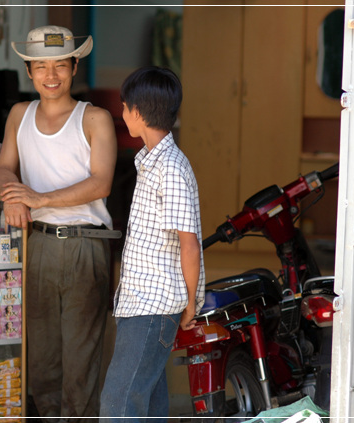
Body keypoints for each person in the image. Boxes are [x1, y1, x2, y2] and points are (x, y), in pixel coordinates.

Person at [0, 25, 120, 420]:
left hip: (85, 245)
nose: (51, 76)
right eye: (42, 66)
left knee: (80, 359)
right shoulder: (20, 114)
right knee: (42, 357)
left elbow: (101, 183)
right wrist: (12, 194)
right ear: (29, 71)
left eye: (61, 65)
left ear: (74, 66)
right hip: (37, 244)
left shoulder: (94, 118)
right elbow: (3, 168)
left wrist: (38, 198)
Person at [100, 67, 205, 421]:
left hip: (152, 307)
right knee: (149, 401)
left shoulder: (169, 169)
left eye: (125, 107)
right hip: (142, 304)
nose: (123, 113)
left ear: (138, 113)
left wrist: (191, 303)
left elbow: (188, 244)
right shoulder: (151, 162)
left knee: (119, 401)